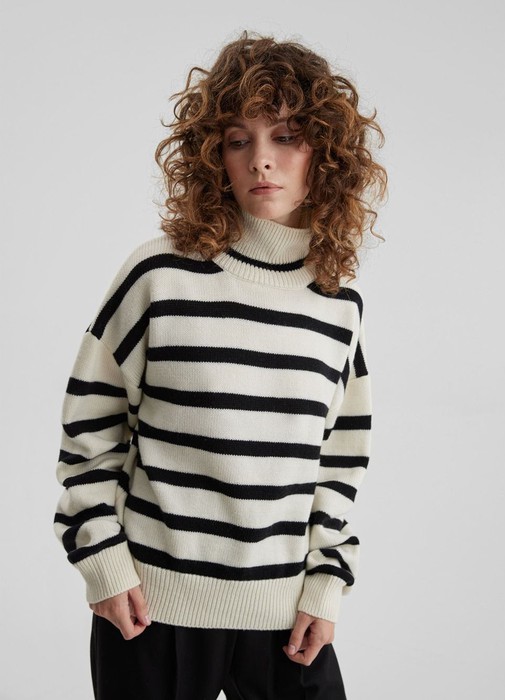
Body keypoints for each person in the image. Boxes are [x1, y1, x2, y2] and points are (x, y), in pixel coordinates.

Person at [53, 29, 387, 700]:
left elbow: (339, 462)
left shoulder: (337, 305)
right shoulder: (159, 275)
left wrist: (326, 583)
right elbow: (89, 430)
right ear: (214, 157)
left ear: (325, 154)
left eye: (286, 137)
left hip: (285, 618)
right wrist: (103, 561)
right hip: (150, 612)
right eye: (239, 141)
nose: (261, 159)